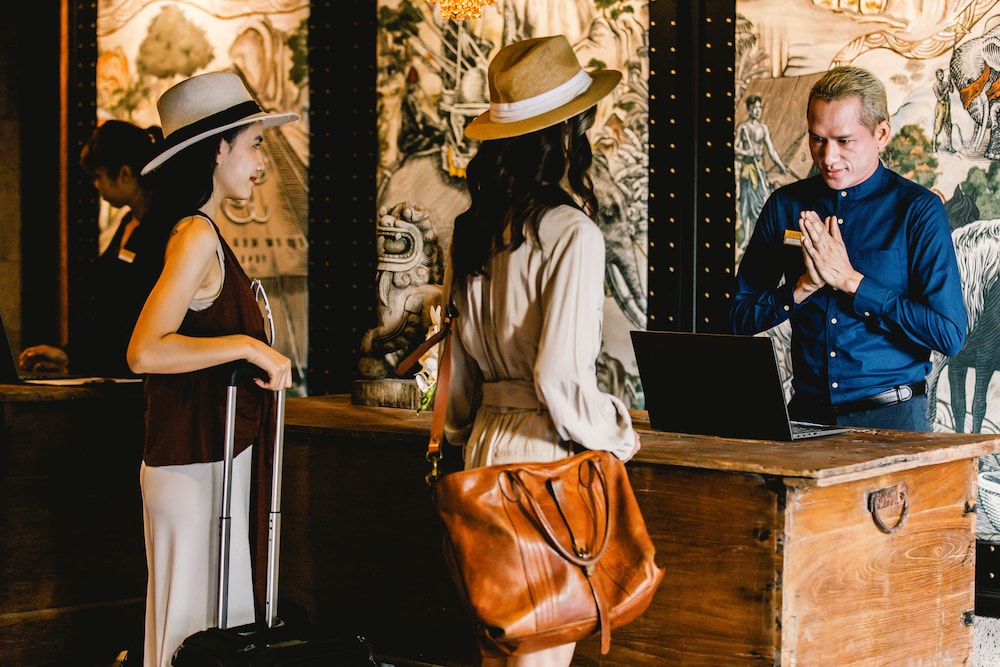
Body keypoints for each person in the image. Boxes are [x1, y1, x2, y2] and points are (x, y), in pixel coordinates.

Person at [443, 35, 641, 667]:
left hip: (481, 452)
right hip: (542, 462)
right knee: (541, 654)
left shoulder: (472, 230)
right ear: (564, 136)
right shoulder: (572, 233)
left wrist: (461, 438)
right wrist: (616, 432)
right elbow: (559, 379)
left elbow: (455, 373)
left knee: (498, 648)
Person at [125, 71, 297, 667]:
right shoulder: (196, 234)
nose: (261, 163)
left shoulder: (202, 232)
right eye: (254, 145)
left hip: (208, 458)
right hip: (192, 461)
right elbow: (145, 351)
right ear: (218, 149)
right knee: (193, 631)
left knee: (207, 629)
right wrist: (247, 346)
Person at [730, 65, 967, 431]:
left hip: (893, 422)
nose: (828, 157)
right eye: (817, 139)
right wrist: (801, 288)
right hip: (806, 418)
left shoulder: (918, 210)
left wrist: (852, 282)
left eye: (844, 141)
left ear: (881, 133)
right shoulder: (785, 206)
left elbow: (948, 334)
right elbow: (736, 318)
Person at [19, 120, 163, 377]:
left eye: (98, 176)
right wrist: (70, 356)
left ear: (124, 174)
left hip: (142, 378)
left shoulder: (164, 231)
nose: (96, 186)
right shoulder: (128, 223)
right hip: (114, 370)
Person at [734, 94, 787, 250]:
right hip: (747, 169)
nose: (757, 110)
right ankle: (746, 237)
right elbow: (734, 148)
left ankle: (759, 237)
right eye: (754, 108)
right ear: (749, 109)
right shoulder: (743, 128)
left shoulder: (763, 129)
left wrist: (781, 166)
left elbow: (771, 150)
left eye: (759, 107)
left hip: (759, 169)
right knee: (746, 203)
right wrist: (746, 152)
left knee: (760, 203)